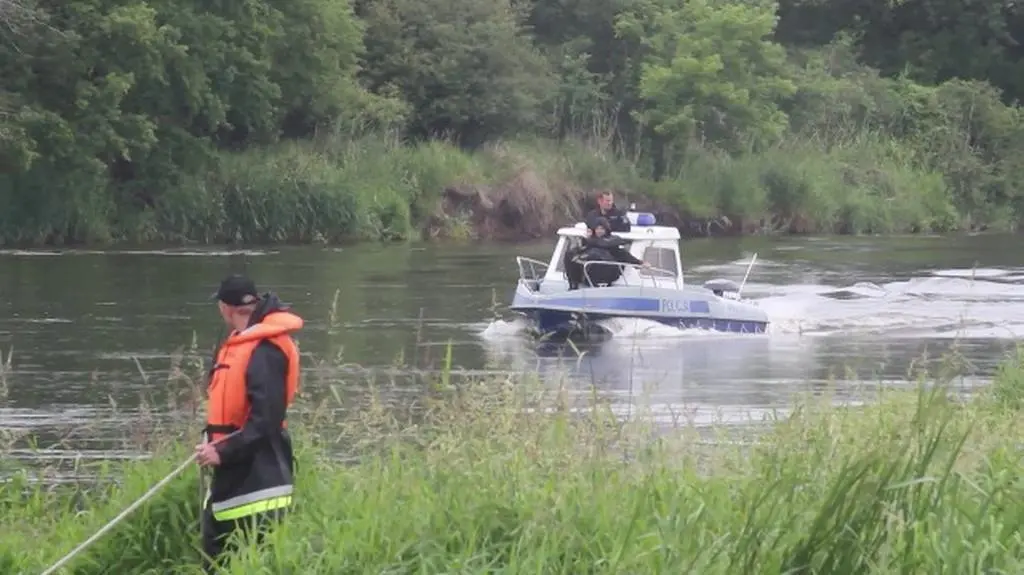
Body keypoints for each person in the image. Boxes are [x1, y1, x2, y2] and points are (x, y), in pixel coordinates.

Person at [196, 274, 304, 572]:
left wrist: (223, 451)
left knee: (245, 562)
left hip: (259, 482)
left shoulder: (265, 349)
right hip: (235, 476)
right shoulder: (243, 344)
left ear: (225, 308)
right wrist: (212, 441)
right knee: (216, 558)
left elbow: (266, 420)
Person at [565, 218, 649, 288]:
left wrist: (639, 263)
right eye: (597, 229)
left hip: (609, 272)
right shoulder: (589, 242)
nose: (599, 231)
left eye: (602, 229)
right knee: (570, 254)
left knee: (596, 254)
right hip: (589, 273)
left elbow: (624, 254)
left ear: (606, 229)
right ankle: (573, 283)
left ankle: (598, 284)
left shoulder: (612, 241)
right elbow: (581, 251)